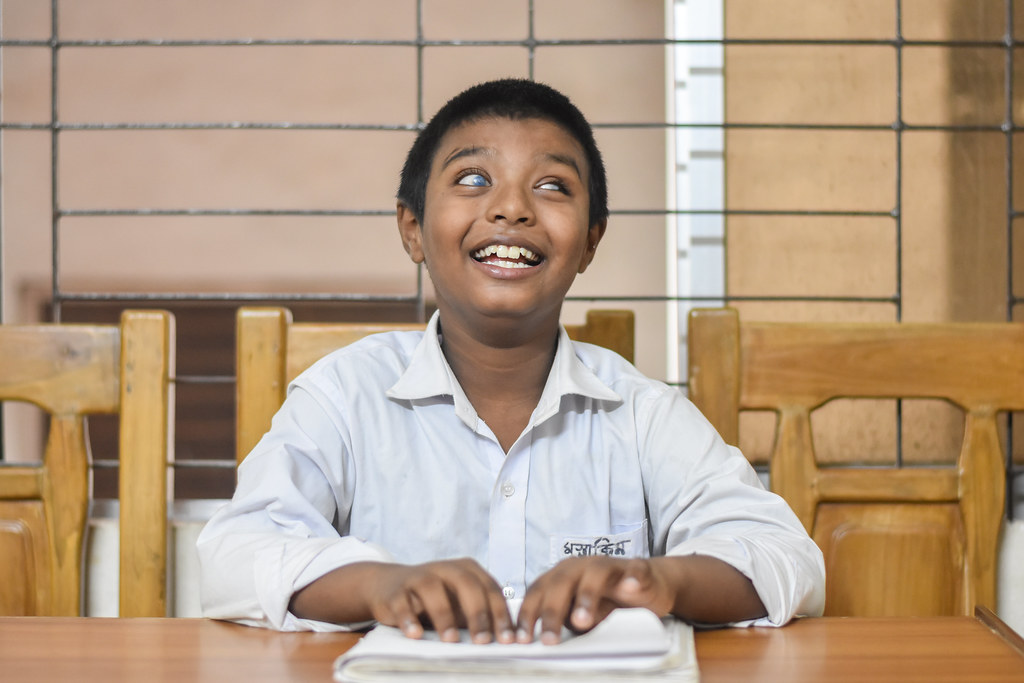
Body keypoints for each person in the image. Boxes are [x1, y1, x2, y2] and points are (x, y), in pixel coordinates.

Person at [197, 78, 825, 643]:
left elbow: (785, 558)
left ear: (590, 243)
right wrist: (377, 586)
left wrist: (659, 580)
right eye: (473, 179)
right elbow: (234, 554)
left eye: (552, 186)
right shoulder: (344, 396)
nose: (512, 208)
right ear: (412, 228)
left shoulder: (642, 413)